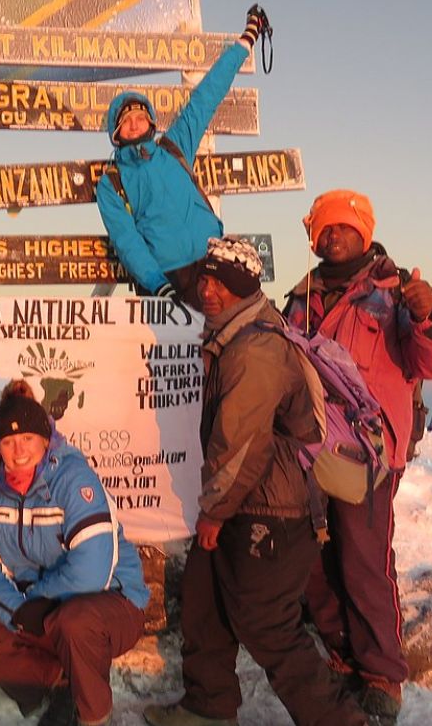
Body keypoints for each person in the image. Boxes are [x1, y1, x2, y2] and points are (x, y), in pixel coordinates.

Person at [143, 238, 367, 726]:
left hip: (273, 510)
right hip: (245, 501)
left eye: (221, 283)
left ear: (244, 287)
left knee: (268, 626)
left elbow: (240, 446)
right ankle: (209, 707)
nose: (208, 291)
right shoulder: (233, 332)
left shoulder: (254, 350)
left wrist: (214, 513)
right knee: (204, 601)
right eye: (205, 280)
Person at [283, 189, 432, 722]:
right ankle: (343, 652)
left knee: (363, 560)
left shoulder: (394, 292)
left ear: (365, 232)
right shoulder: (301, 297)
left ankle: (382, 673)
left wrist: (425, 316)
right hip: (308, 447)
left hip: (370, 453)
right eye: (324, 228)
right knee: (313, 557)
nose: (333, 235)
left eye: (344, 226)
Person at [0, 381, 150, 726]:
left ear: (45, 439)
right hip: (44, 612)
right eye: (8, 442)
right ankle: (57, 680)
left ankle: (93, 715)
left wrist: (38, 599)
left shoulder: (73, 479)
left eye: (27, 438)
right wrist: (19, 612)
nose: (18, 450)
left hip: (111, 605)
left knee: (73, 622)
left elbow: (92, 570)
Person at [96, 6, 269, 310]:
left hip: (212, 264)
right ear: (115, 131)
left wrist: (246, 41)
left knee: (241, 332)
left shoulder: (174, 147)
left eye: (140, 117)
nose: (134, 124)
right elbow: (126, 240)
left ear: (151, 122)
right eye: (126, 121)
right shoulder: (112, 183)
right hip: (168, 279)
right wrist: (156, 283)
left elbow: (206, 97)